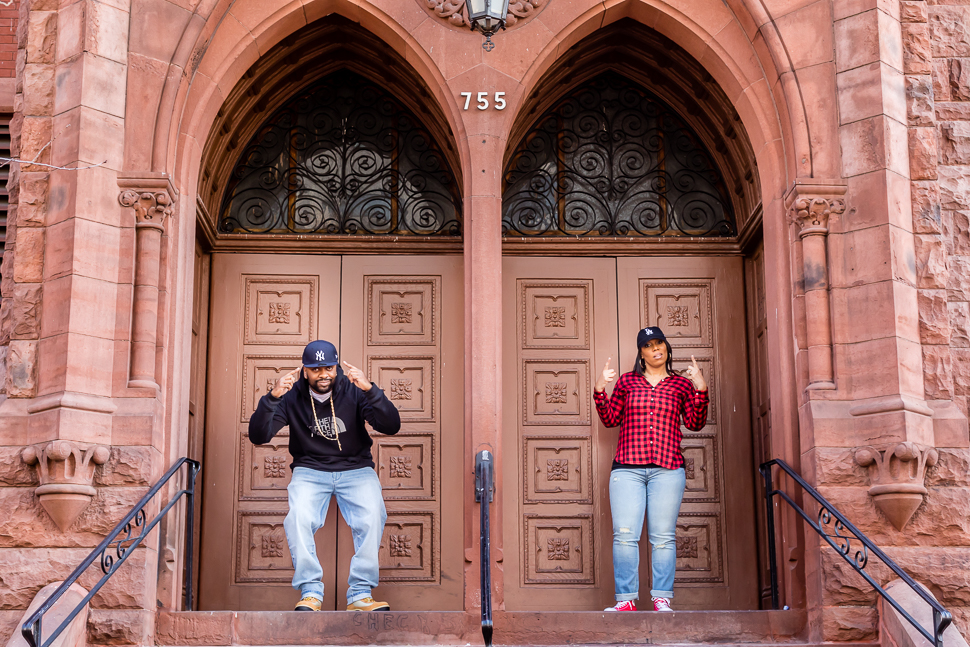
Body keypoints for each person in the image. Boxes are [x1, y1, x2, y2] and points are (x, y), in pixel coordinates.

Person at [249, 340, 402, 612]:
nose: (324, 375)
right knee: (298, 518)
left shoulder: (353, 391)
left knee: (372, 514)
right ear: (305, 371)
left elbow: (391, 426)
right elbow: (259, 436)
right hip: (310, 469)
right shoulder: (291, 395)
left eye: (329, 367)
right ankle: (310, 592)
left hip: (355, 467)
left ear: (336, 366)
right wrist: (272, 398)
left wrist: (370, 390)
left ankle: (360, 594)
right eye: (316, 369)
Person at [593, 326, 708, 612]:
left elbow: (695, 423)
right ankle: (627, 600)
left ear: (667, 348)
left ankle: (662, 599)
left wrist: (701, 387)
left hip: (668, 469)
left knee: (664, 537)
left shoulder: (681, 385)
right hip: (627, 469)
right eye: (649, 345)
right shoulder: (627, 382)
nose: (656, 349)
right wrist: (599, 389)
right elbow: (610, 419)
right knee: (624, 535)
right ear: (641, 353)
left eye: (660, 343)